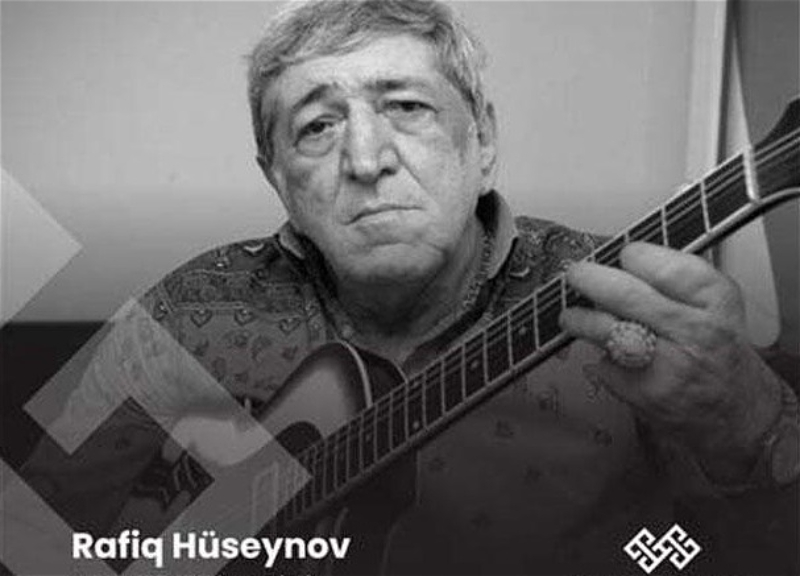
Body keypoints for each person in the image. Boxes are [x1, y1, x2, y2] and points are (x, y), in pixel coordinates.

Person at [10, 0, 798, 574]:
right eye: (316, 127)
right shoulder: (187, 308)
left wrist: (748, 422)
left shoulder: (628, 305)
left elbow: (731, 556)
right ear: (276, 177)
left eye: (408, 108)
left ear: (483, 141)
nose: (366, 159)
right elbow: (25, 531)